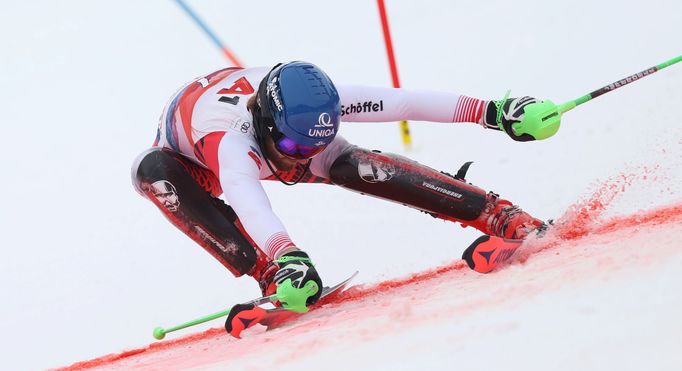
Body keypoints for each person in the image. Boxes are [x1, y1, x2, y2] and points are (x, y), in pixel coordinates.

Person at [131, 61, 554, 337]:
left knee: (356, 166)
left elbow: (404, 102)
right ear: (265, 124)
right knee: (153, 174)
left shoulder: (316, 109)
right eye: (296, 150)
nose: (304, 159)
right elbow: (246, 196)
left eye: (316, 143)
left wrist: (494, 112)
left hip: (267, 131)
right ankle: (275, 278)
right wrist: (287, 255)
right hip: (191, 166)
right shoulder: (231, 141)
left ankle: (500, 215)